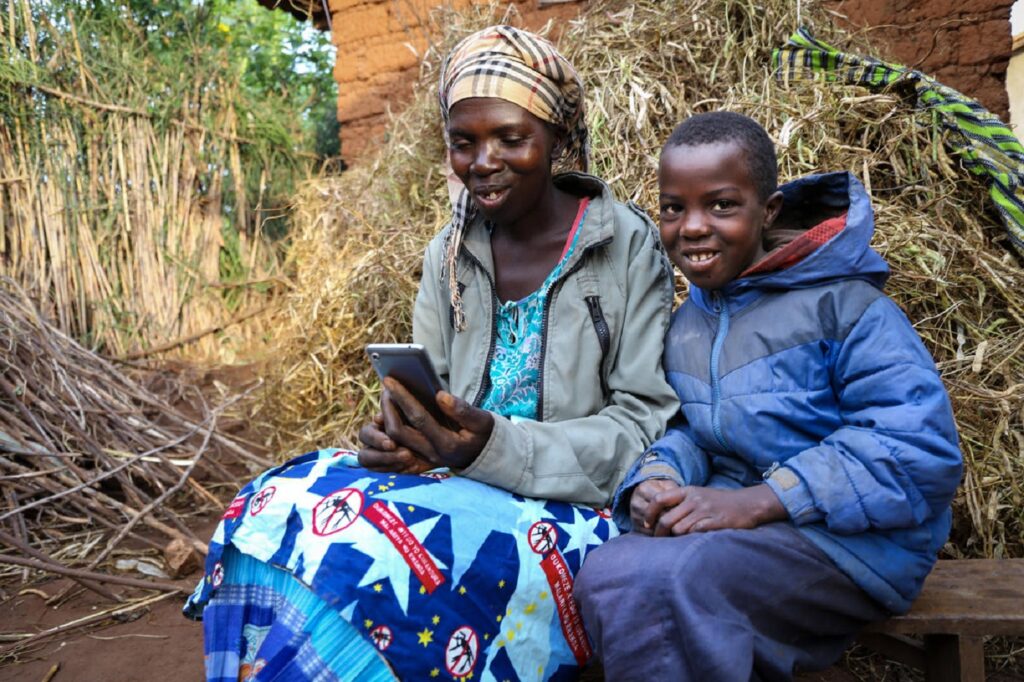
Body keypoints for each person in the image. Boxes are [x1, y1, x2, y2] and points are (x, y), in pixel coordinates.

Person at [184, 26, 679, 682]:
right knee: (269, 502)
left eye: (511, 137)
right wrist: (395, 437)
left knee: (359, 563)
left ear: (557, 138)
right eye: (463, 142)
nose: (482, 162)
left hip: (573, 508)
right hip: (453, 482)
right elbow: (429, 395)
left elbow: (645, 425)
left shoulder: (626, 246)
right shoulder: (450, 251)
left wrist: (491, 448)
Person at [574, 111, 963, 680]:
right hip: (751, 535)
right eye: (673, 207)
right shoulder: (688, 323)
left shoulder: (845, 306)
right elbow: (694, 433)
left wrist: (758, 501)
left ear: (769, 211)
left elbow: (918, 447)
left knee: (672, 583)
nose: (694, 227)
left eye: (722, 205)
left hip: (860, 545)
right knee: (607, 570)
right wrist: (659, 478)